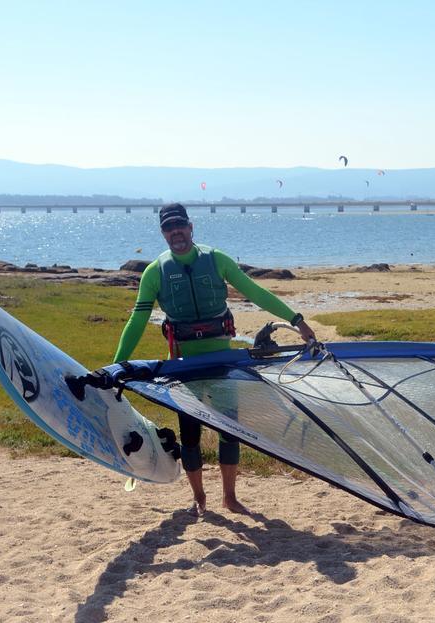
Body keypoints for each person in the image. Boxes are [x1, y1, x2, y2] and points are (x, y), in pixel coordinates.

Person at [113, 202, 316, 514]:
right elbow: (137, 321)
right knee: (190, 435)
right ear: (163, 233)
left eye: (180, 226)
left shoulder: (217, 260)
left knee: (229, 430)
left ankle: (230, 497)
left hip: (222, 362)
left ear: (190, 227)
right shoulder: (155, 273)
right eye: (169, 228)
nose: (176, 232)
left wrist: (297, 320)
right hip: (184, 367)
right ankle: (198, 497)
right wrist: (117, 365)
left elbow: (256, 293)